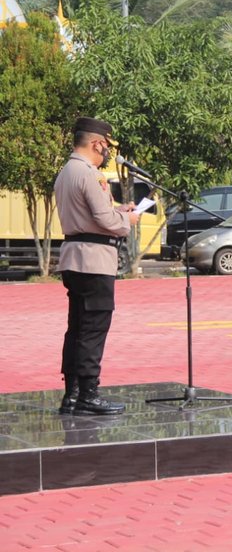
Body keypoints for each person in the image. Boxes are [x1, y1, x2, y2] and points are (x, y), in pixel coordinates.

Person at [54, 117, 140, 415]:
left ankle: (73, 394)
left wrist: (116, 210)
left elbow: (93, 213)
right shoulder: (90, 174)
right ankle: (89, 394)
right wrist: (125, 221)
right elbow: (104, 220)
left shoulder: (67, 171)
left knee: (77, 328)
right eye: (105, 147)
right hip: (94, 259)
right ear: (97, 143)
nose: (106, 153)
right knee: (93, 328)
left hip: (74, 257)